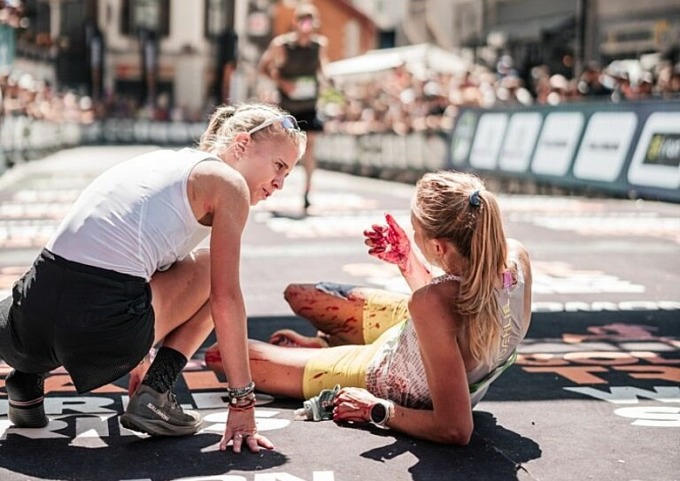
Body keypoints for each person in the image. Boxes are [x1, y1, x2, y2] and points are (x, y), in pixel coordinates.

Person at [0, 102, 307, 453]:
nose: (280, 183)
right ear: (241, 144)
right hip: (98, 334)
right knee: (210, 272)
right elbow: (226, 299)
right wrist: (241, 404)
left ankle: (25, 379)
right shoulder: (229, 184)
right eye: (279, 166)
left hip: (19, 330)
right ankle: (156, 392)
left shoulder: (161, 163)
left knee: (69, 282)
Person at [206, 170, 533, 444]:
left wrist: (377, 409)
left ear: (438, 246)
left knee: (224, 356)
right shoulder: (515, 257)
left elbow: (456, 428)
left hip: (390, 374)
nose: (413, 236)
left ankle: (328, 348)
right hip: (425, 341)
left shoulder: (432, 302)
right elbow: (459, 313)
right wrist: (408, 260)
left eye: (416, 232)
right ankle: (327, 344)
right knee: (301, 296)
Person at [258, 3, 331, 213]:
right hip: (287, 105)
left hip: (309, 103)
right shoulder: (281, 45)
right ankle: (269, 182)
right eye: (302, 20)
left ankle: (307, 191)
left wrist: (327, 78)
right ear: (295, 22)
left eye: (310, 21)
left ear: (314, 24)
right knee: (282, 148)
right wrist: (282, 82)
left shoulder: (319, 45)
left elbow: (322, 66)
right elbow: (263, 67)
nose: (306, 25)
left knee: (310, 146)